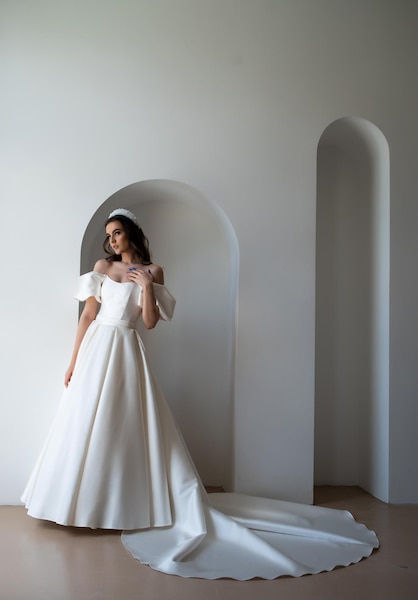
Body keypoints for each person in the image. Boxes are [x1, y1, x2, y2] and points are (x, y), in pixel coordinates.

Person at [21, 208, 379, 580]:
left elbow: (149, 323)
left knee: (122, 426)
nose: (111, 240)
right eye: (108, 236)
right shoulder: (102, 267)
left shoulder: (154, 272)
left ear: (131, 234)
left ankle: (117, 507)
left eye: (117, 233)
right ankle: (73, 505)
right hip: (97, 349)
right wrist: (73, 360)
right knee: (82, 422)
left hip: (126, 349)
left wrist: (145, 285)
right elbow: (87, 316)